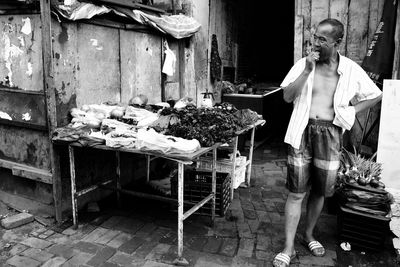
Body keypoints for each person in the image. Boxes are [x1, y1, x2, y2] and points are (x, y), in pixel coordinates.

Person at [272, 18, 382, 267]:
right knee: (297, 191)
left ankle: (309, 234)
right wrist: (307, 70)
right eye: (315, 37)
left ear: (337, 42)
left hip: (331, 134)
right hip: (302, 131)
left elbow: (375, 94)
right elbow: (287, 97)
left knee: (321, 190)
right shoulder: (304, 64)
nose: (316, 43)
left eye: (322, 39)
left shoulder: (351, 69)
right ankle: (288, 247)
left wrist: (351, 112)